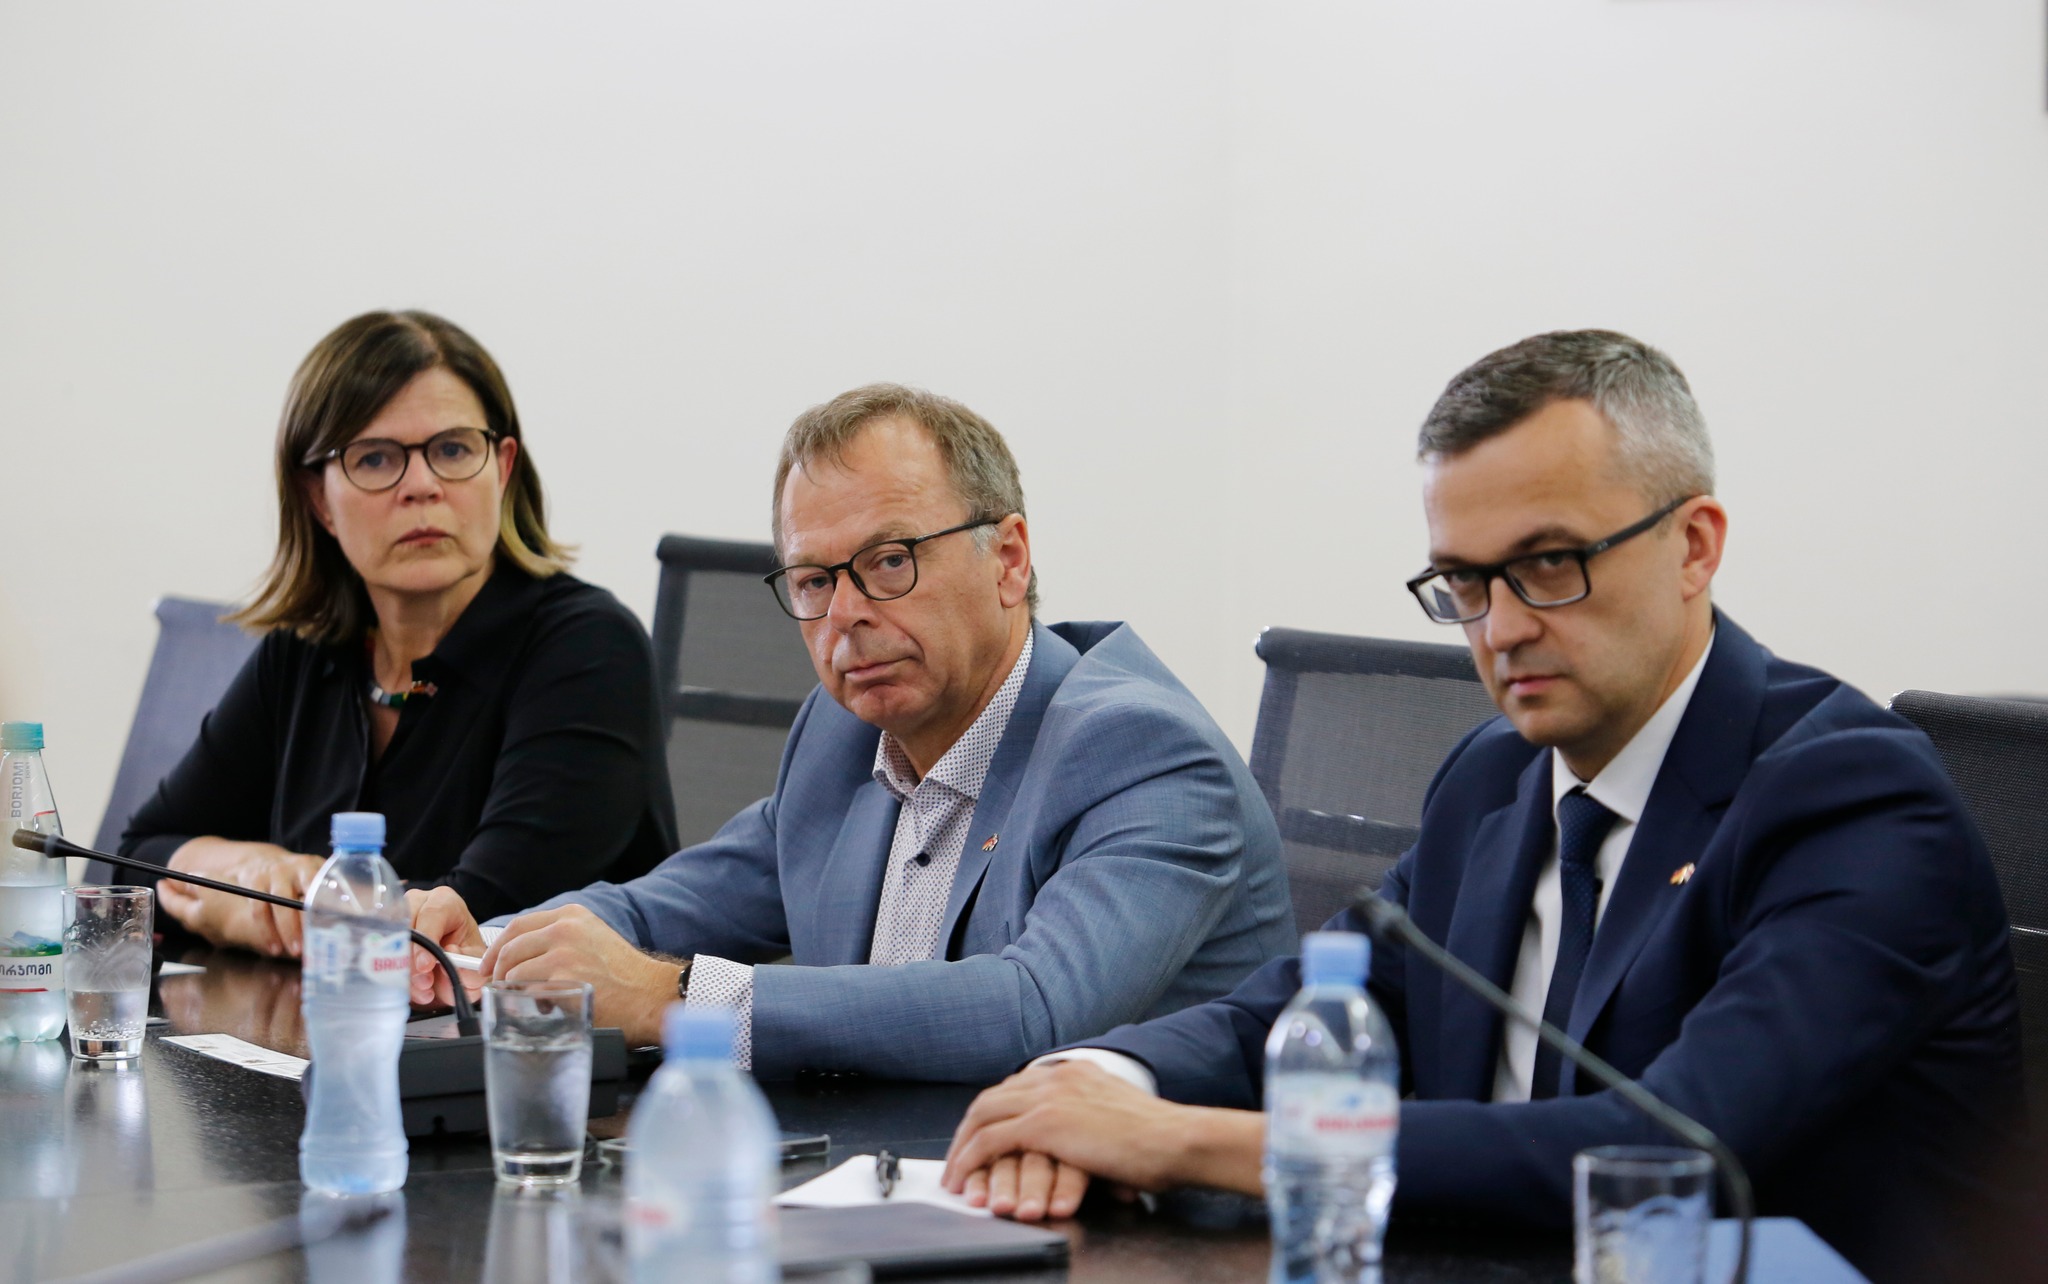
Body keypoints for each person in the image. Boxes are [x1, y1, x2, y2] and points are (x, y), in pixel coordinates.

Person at [941, 331, 2023, 1278]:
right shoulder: (1494, 777)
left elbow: (1669, 1147)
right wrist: (1095, 1080)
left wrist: (1175, 1141)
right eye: (1463, 582)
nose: (1499, 629)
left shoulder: (1853, 798)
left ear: (1693, 546)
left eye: (1548, 564)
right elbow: (1307, 1002)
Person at [408, 383, 1295, 1081]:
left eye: (889, 562)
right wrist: (491, 944)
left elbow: (1032, 1009)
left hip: (1136, 1224)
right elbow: (661, 907)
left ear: (1009, 560)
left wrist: (672, 997)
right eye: (813, 580)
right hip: (884, 1181)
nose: (845, 617)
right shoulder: (841, 734)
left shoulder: (1141, 753)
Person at [121, 310, 678, 957]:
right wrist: (239, 877)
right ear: (319, 499)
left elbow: (472, 919)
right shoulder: (307, 651)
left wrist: (253, 910)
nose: (421, 486)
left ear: (502, 469)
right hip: (316, 1015)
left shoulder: (589, 651)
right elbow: (134, 858)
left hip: (520, 1023)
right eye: (376, 458)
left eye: (452, 450)